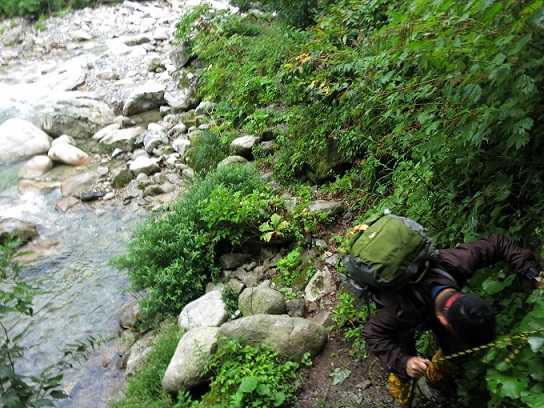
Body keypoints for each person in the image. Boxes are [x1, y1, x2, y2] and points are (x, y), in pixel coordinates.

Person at [360, 234, 544, 407]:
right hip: (402, 309)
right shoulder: (398, 312)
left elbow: (497, 243)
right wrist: (404, 363)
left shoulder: (456, 263)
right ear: (444, 321)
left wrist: (533, 273)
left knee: (457, 351)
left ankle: (433, 380)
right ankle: (403, 399)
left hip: (430, 307)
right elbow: (371, 332)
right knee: (404, 369)